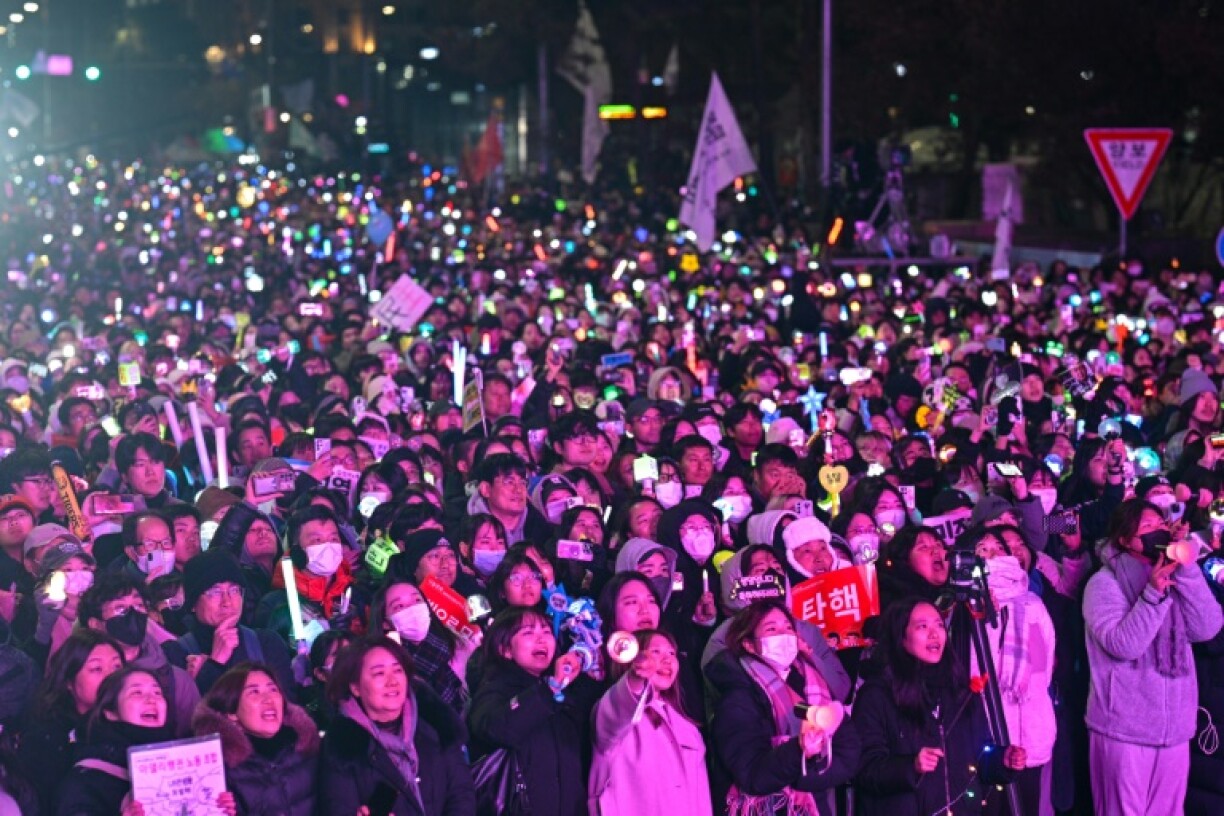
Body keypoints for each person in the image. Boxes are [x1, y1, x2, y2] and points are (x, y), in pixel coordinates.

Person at [1082, 498, 1223, 815]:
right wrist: (1152, 595)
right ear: (1124, 539)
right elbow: (1123, 645)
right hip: (1123, 731)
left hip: (1175, 731)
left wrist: (1186, 571)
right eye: (1147, 527)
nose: (1157, 531)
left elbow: (1208, 627)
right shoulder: (1104, 583)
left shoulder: (1173, 575)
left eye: (1161, 525)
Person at [852, 598, 1026, 816]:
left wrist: (1002, 761)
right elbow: (865, 769)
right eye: (922, 626)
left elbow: (979, 760)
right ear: (901, 636)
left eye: (939, 625)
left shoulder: (962, 692)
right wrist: (911, 766)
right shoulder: (876, 695)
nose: (934, 634)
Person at [706, 601, 861, 814]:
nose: (784, 635)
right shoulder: (738, 697)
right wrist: (799, 752)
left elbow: (848, 750)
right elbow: (752, 773)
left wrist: (806, 777)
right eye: (772, 629)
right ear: (749, 644)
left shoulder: (815, 684)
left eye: (788, 628)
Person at [319, 636, 475, 815]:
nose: (392, 681)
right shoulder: (342, 745)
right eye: (379, 673)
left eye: (398, 670)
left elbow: (462, 792)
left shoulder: (435, 720)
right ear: (355, 687)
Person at [468, 606, 601, 816]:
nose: (542, 640)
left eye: (546, 632)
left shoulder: (566, 688)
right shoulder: (494, 688)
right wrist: (550, 687)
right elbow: (497, 728)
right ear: (505, 649)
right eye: (528, 633)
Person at [57, 665, 237, 816]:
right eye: (136, 693)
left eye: (158, 693)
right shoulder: (88, 777)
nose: (151, 699)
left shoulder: (189, 765)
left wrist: (217, 808)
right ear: (110, 712)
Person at [589, 629, 712, 815]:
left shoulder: (689, 730)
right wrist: (636, 677)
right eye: (656, 652)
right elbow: (618, 706)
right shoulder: (615, 716)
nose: (667, 659)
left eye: (672, 653)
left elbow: (701, 801)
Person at [77, 574, 200, 737]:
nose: (133, 613)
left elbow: (196, 739)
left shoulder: (176, 680)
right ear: (95, 624)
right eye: (120, 608)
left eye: (139, 605)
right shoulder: (85, 676)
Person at [192, 663, 319, 816]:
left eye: (273, 689)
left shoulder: (307, 747)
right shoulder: (216, 768)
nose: (268, 699)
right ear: (231, 712)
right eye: (254, 692)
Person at [20, 630, 125, 814]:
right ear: (69, 681)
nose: (111, 677)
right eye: (96, 669)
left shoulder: (135, 726)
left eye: (117, 667)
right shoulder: (46, 740)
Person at [162, 549, 294, 695]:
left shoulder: (267, 643)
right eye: (215, 592)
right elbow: (186, 714)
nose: (227, 602)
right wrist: (214, 664)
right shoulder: (175, 654)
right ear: (193, 603)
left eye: (234, 590)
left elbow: (287, 708)